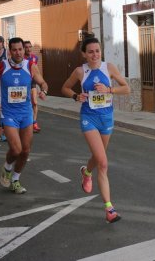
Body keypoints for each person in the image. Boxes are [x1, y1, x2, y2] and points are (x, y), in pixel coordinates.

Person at [61, 37, 130, 223]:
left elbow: (126, 88)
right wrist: (76, 96)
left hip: (106, 118)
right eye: (90, 51)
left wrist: (109, 90)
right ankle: (109, 209)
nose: (94, 55)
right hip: (88, 118)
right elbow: (65, 88)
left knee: (98, 156)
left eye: (97, 51)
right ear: (84, 54)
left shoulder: (109, 68)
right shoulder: (79, 71)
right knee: (103, 163)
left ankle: (86, 172)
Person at [0, 37, 49, 194]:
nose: (18, 52)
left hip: (26, 113)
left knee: (26, 151)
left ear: (24, 50)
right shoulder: (2, 66)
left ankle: (15, 179)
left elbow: (43, 82)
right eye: (14, 50)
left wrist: (44, 90)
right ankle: (7, 168)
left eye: (20, 49)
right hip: (8, 113)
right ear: (10, 51)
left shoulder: (30, 66)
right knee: (16, 149)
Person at [23, 40, 41, 133]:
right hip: (23, 82)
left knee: (34, 102)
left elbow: (37, 72)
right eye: (26, 47)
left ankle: (34, 122)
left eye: (30, 47)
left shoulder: (35, 58)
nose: (28, 49)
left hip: (32, 82)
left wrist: (41, 84)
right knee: (25, 103)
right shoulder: (21, 58)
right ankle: (26, 122)